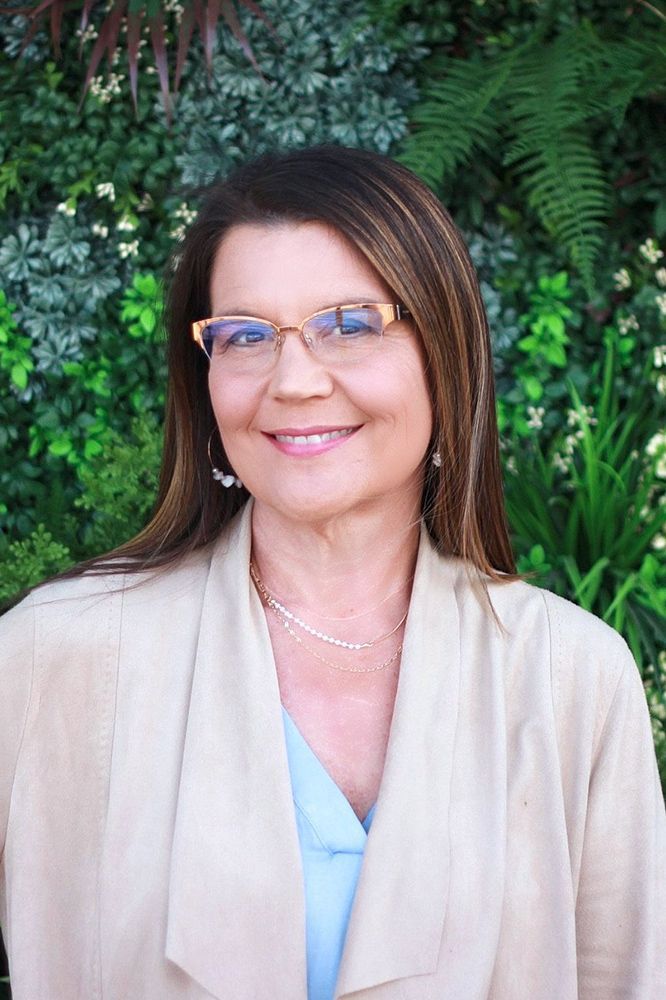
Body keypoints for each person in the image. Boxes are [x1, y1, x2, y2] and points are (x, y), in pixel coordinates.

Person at [0, 145, 664, 1000]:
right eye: (244, 336)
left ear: (445, 353)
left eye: (349, 324)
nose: (294, 381)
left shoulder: (570, 677)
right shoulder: (50, 661)